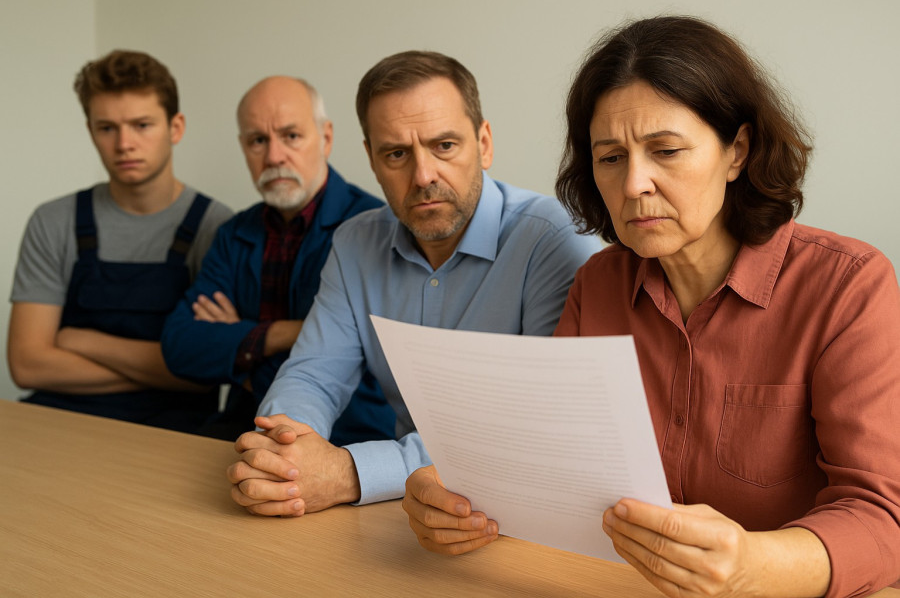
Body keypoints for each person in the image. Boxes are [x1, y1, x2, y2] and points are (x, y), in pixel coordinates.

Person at [402, 15, 900, 598]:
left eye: (665, 150)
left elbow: (884, 516)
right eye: (610, 158)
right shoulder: (597, 286)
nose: (635, 183)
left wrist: (753, 563)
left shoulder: (848, 286)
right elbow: (551, 464)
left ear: (737, 151)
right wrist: (448, 489)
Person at [225, 50, 599, 517]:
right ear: (372, 160)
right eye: (397, 153)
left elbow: (535, 429)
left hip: (523, 515)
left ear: (484, 143)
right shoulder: (355, 242)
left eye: (444, 146)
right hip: (405, 512)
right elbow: (314, 373)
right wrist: (281, 449)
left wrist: (350, 472)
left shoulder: (553, 241)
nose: (423, 176)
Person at [7, 50, 233, 433]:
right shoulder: (53, 221)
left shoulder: (218, 227)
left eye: (142, 125)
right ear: (90, 131)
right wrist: (166, 369)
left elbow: (206, 371)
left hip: (174, 433)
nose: (124, 143)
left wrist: (78, 340)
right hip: (56, 420)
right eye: (107, 127)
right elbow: (27, 365)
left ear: (175, 128)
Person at [160, 76, 395, 443]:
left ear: (326, 138)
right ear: (243, 147)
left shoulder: (373, 229)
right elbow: (180, 346)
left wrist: (241, 344)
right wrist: (290, 332)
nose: (273, 156)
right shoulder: (233, 233)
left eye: (291, 136)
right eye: (258, 140)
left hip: (349, 442)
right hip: (238, 430)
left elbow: (365, 375)